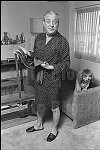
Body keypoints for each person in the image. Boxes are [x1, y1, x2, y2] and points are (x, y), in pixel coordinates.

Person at [25, 10, 70, 142]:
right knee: (39, 102)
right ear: (43, 23)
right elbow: (36, 55)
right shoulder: (38, 37)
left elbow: (66, 62)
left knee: (54, 106)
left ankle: (54, 129)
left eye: (54, 22)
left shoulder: (62, 41)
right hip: (39, 77)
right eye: (48, 21)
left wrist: (52, 67)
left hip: (53, 79)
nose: (51, 25)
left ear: (58, 24)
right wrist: (27, 54)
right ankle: (38, 124)